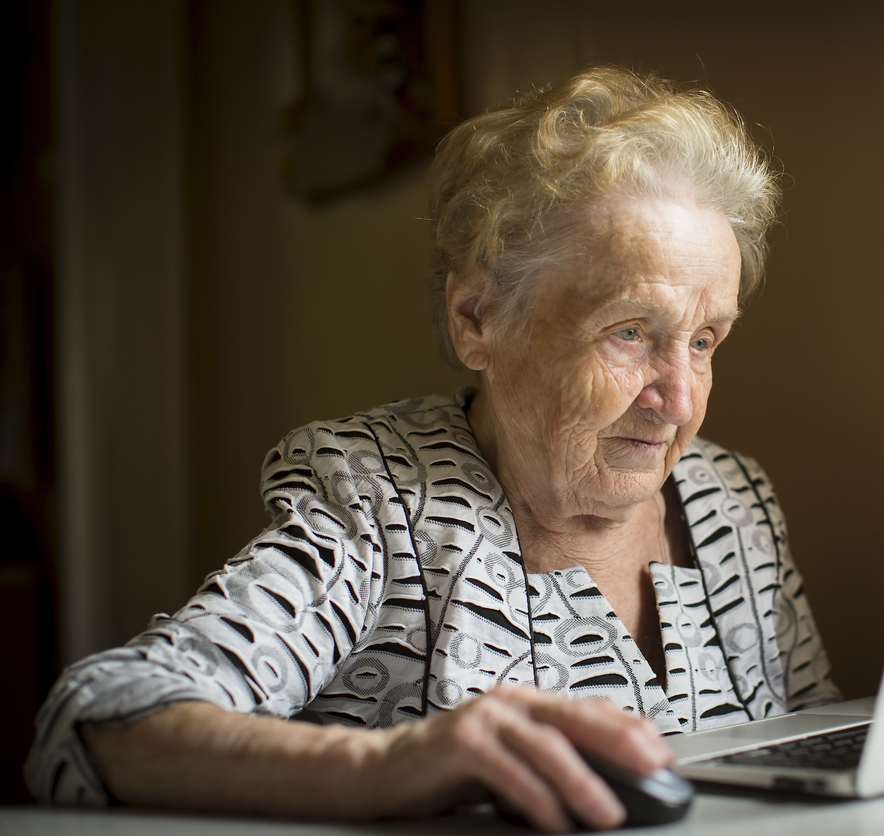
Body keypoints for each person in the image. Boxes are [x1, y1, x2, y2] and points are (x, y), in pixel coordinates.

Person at [25, 67, 839, 832]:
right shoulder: (380, 503)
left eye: (703, 341)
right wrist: (385, 765)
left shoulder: (732, 501)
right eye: (629, 332)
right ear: (476, 318)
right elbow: (103, 717)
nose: (680, 399)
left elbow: (823, 751)